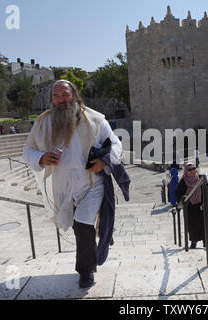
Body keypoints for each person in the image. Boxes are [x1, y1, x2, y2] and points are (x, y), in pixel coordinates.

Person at [23, 80, 130, 289]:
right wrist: (41, 157)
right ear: (51, 99)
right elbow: (27, 150)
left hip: (91, 183)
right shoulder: (43, 122)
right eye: (56, 96)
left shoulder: (95, 120)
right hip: (62, 186)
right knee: (79, 228)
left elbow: (116, 145)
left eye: (65, 94)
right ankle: (89, 259)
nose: (61, 100)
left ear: (74, 95)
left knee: (83, 224)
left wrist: (102, 162)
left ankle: (86, 271)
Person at [175, 162, 208, 249]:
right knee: (192, 225)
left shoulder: (201, 178)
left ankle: (206, 241)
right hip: (190, 206)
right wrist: (181, 201)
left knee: (204, 223)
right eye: (190, 169)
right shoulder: (183, 181)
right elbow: (178, 194)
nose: (192, 171)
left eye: (194, 169)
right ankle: (194, 242)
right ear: (186, 171)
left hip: (202, 205)